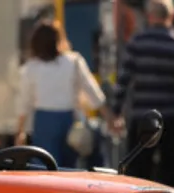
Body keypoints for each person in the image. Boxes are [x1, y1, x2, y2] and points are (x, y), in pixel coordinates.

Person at [111, 0, 174, 190]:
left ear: (149, 16)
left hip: (142, 118)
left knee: (138, 175)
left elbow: (123, 81)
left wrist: (115, 112)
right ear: (172, 16)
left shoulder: (137, 43)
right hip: (171, 120)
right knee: (171, 174)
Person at [14, 20, 112, 168]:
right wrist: (109, 117)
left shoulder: (31, 68)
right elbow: (92, 91)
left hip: (43, 122)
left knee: (44, 167)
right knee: (68, 168)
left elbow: (24, 103)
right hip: (69, 120)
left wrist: (20, 132)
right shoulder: (73, 61)